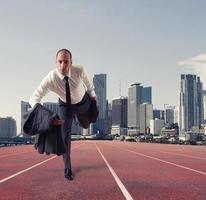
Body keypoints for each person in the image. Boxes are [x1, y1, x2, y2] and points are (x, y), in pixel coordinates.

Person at [29, 48, 97, 180]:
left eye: (66, 62)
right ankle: (68, 168)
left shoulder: (79, 70)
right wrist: (47, 117)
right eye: (60, 62)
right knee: (64, 136)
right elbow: (34, 97)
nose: (63, 66)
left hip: (82, 103)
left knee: (85, 124)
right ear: (55, 62)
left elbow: (89, 84)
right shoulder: (51, 78)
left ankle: (78, 119)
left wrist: (93, 96)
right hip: (65, 106)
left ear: (71, 62)